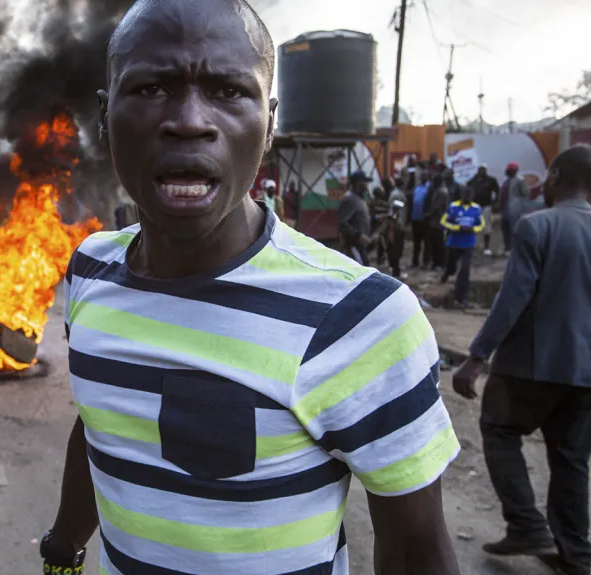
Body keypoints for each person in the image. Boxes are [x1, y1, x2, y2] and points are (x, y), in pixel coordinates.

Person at [40, 2, 463, 574]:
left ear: (269, 126)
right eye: (151, 88)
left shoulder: (359, 317)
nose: (190, 120)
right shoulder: (91, 269)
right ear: (104, 117)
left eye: (227, 91)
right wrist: (63, 549)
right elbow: (102, 425)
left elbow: (418, 552)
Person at [453, 145, 591, 575]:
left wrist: (476, 358)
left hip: (530, 366)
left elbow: (513, 299)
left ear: (553, 176)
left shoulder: (538, 227)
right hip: (585, 374)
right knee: (571, 458)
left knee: (499, 429)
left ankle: (527, 524)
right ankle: (576, 554)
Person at [440, 186, 485, 308]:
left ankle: (460, 297)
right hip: (454, 243)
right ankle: (446, 274)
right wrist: (457, 228)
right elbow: (443, 222)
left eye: (470, 196)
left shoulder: (476, 208)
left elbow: (481, 224)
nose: (468, 198)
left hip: (469, 243)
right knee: (451, 266)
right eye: (466, 195)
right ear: (462, 196)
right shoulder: (453, 206)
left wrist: (472, 229)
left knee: (465, 270)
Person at [337, 171, 373, 265]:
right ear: (357, 183)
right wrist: (358, 235)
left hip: (360, 245)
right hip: (353, 246)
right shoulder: (350, 199)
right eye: (364, 182)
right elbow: (342, 223)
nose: (366, 184)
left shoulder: (359, 198)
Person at [467, 164, 500, 256]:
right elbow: (468, 190)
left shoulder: (491, 180)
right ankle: (473, 246)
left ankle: (486, 247)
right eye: (480, 169)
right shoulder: (473, 180)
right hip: (475, 206)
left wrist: (495, 201)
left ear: (486, 170)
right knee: (473, 226)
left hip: (487, 206)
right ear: (477, 170)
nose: (482, 171)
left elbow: (497, 191)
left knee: (487, 226)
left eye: (483, 169)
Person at [500, 162, 529, 255]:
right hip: (505, 208)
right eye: (507, 169)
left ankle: (516, 249)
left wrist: (521, 206)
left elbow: (525, 193)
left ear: (514, 170)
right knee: (505, 228)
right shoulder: (506, 180)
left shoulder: (520, 180)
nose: (507, 171)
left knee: (514, 228)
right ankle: (507, 248)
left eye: (509, 170)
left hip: (515, 208)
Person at [425, 173, 450, 269]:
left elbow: (436, 207)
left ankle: (440, 263)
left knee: (439, 244)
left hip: (438, 221)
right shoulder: (440, 190)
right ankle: (437, 263)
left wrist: (428, 215)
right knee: (436, 243)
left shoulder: (441, 192)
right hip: (437, 221)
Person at [388, 176, 409, 278]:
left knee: (395, 249)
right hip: (398, 226)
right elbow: (394, 211)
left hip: (398, 225)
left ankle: (395, 270)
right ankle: (396, 272)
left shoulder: (395, 193)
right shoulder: (398, 195)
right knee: (397, 249)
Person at [411, 170, 431, 268]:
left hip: (425, 219)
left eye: (424, 176)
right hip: (415, 218)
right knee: (416, 242)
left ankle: (426, 261)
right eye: (421, 175)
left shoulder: (429, 187)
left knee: (426, 241)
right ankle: (415, 261)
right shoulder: (417, 187)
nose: (422, 177)